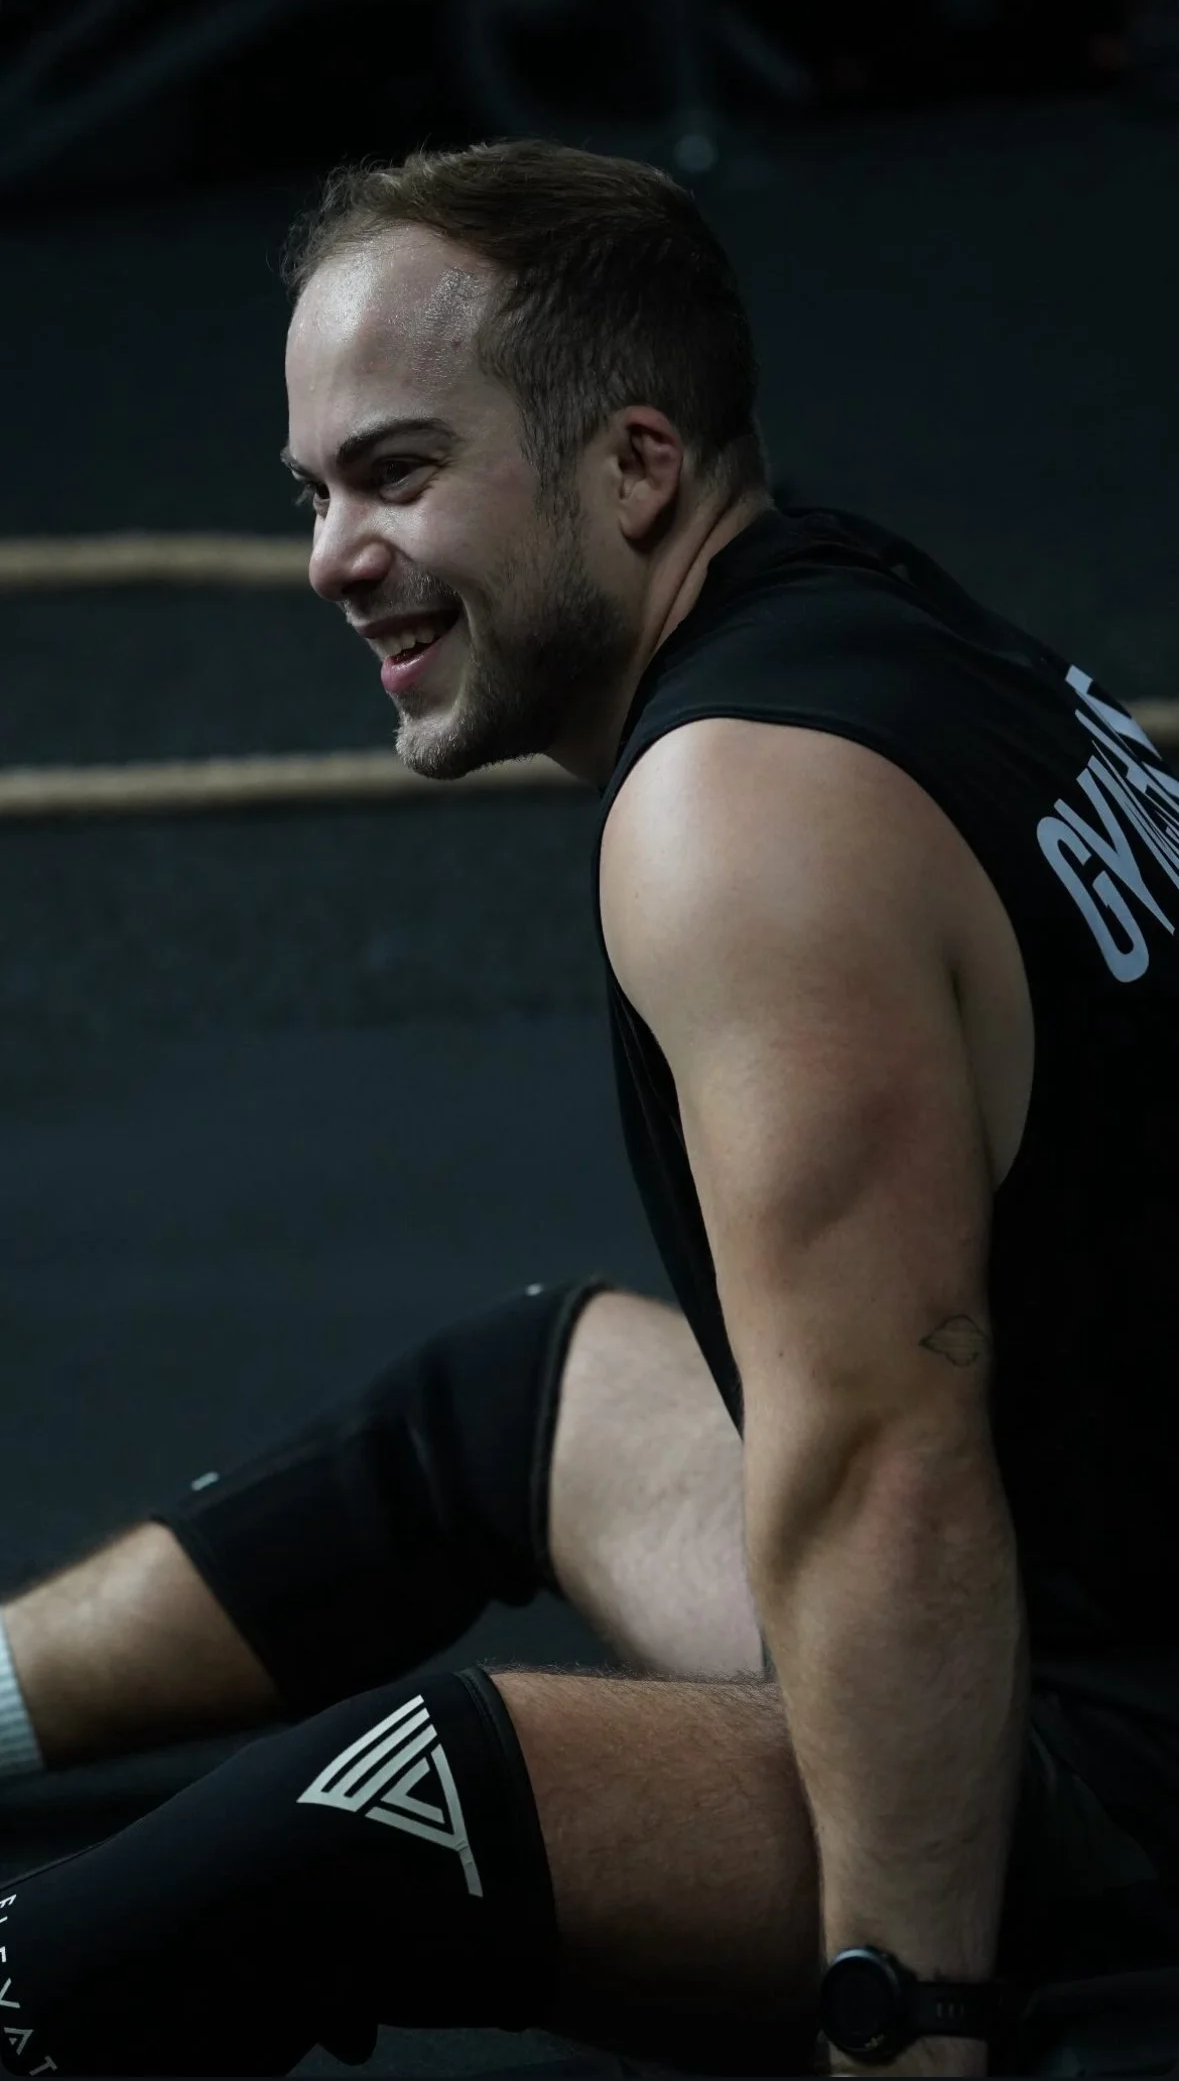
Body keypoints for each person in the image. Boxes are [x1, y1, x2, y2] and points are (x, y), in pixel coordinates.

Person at [3, 134, 1179, 2080]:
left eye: (396, 474)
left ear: (636, 465)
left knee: (395, 1801)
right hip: (1095, 1549)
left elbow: (883, 1459)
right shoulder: (862, 609)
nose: (327, 557)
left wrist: (911, 2016)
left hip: (1109, 1731)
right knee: (523, 1397)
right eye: (310, 492)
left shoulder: (738, 813)